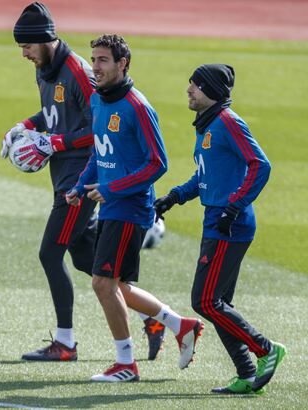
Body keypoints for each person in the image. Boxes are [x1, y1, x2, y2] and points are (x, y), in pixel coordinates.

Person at [0, 2, 165, 362]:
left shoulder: (78, 71)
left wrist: (55, 142)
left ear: (45, 40)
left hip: (82, 181)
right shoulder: (44, 67)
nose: (24, 54)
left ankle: (65, 343)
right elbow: (54, 113)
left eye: (27, 46)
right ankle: (155, 317)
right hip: (65, 177)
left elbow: (98, 129)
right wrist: (26, 127)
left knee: (50, 253)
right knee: (87, 260)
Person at [67, 34, 204, 382]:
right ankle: (181, 325)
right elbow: (100, 154)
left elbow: (157, 163)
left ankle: (126, 363)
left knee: (102, 283)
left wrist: (112, 189)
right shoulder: (98, 101)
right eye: (93, 59)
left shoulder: (138, 106)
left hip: (130, 209)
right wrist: (81, 187)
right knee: (119, 287)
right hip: (113, 206)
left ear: (122, 64)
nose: (94, 67)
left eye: (102, 60)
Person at [154, 64, 286, 393]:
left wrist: (233, 206)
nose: (188, 89)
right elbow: (205, 177)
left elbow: (261, 165)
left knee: (206, 301)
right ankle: (246, 373)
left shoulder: (228, 122)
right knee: (221, 303)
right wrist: (174, 197)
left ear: (211, 91)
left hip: (229, 225)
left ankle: (266, 350)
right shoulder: (208, 126)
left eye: (196, 86)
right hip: (216, 220)